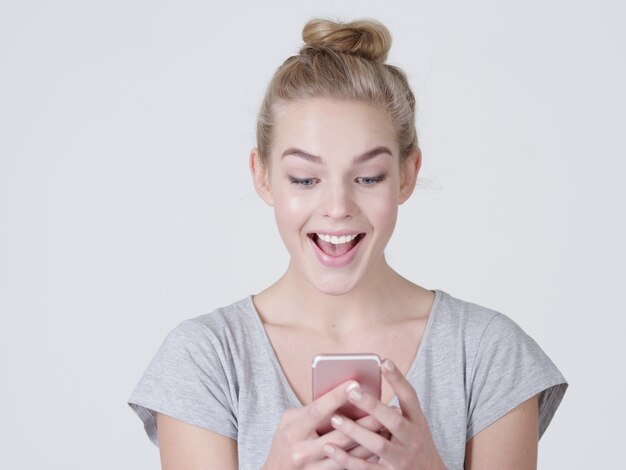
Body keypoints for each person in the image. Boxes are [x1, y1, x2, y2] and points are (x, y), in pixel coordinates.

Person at [128, 17, 567, 469]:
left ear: (407, 175)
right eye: (304, 178)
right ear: (262, 176)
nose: (337, 206)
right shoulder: (205, 358)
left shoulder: (486, 353)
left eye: (367, 177)